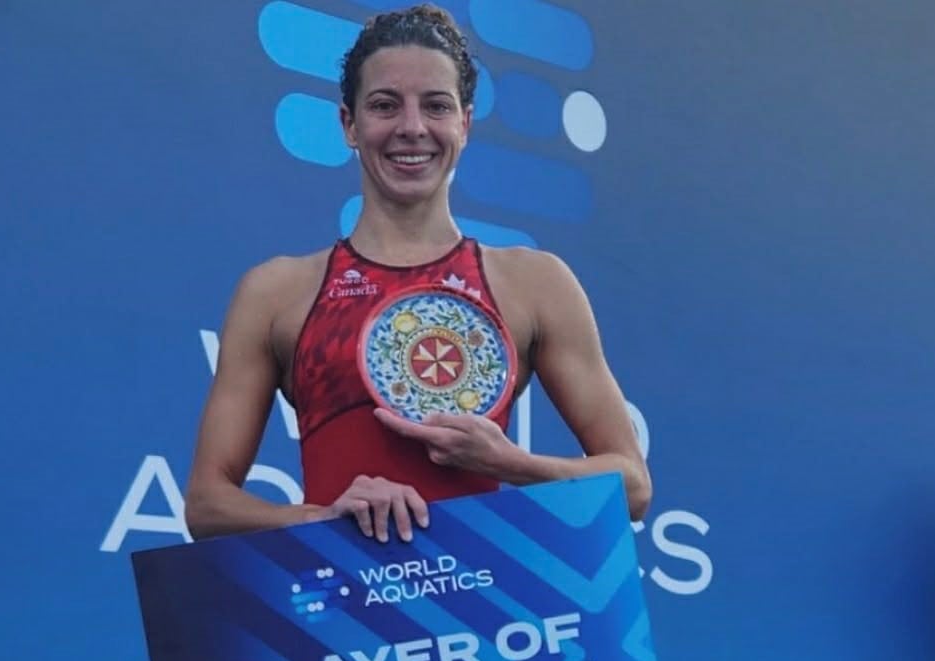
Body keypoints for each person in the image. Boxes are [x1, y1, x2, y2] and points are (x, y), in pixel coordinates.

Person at [184, 4, 650, 544]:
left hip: (480, 593)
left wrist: (509, 462)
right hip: (336, 594)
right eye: (385, 105)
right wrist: (320, 520)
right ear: (349, 124)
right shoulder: (275, 292)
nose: (412, 128)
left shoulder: (535, 284)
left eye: (436, 106)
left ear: (464, 124)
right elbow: (206, 505)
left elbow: (633, 487)